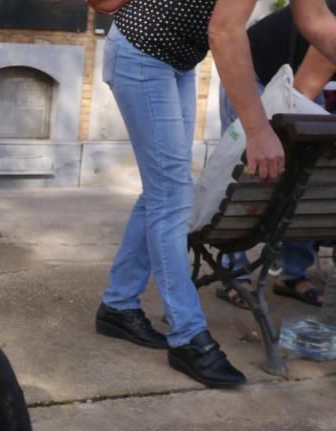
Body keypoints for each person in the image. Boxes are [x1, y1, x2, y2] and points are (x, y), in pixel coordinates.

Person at [94, 0, 336, 389]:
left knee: (163, 191)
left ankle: (118, 305)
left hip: (177, 61)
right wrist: (257, 131)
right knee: (171, 196)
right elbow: (224, 31)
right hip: (141, 52)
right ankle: (188, 336)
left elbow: (317, 20)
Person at [215, 1, 336, 309]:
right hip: (254, 68)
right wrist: (263, 135)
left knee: (309, 180)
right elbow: (299, 96)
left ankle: (292, 275)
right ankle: (233, 272)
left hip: (297, 76)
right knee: (251, 168)